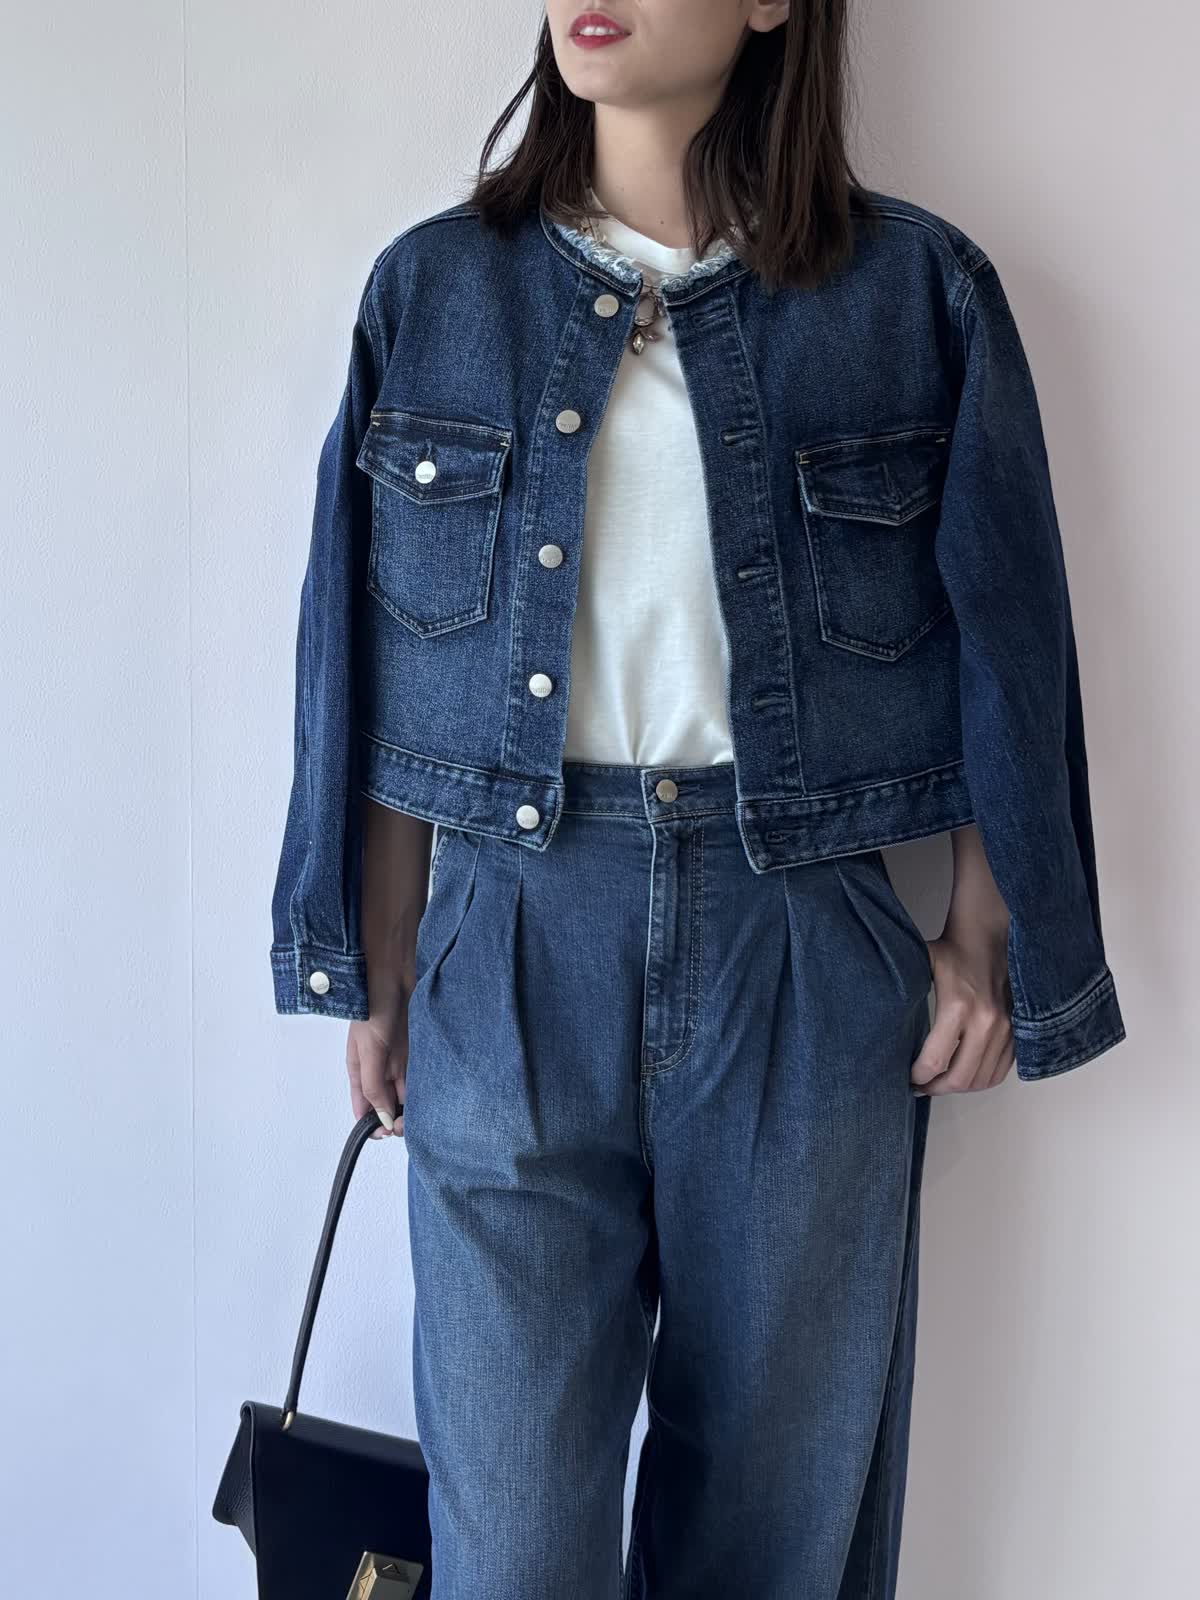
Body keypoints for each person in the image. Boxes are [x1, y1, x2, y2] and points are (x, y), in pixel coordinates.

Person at [268, 3, 1127, 1595]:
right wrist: (374, 960)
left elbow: (1012, 640)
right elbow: (374, 658)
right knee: (513, 1551)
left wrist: (993, 933)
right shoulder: (437, 291)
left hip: (798, 941)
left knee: (769, 1550)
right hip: (506, 947)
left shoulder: (912, 293)